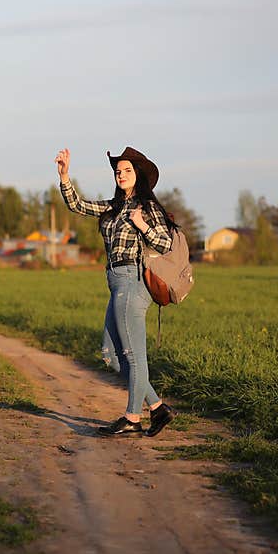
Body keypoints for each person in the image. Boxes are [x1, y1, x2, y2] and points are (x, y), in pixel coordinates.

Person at [53, 146, 176, 437]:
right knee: (111, 354)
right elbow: (78, 206)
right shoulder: (113, 207)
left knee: (133, 355)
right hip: (116, 282)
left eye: (127, 170)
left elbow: (165, 244)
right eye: (118, 171)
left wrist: (143, 225)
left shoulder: (147, 208)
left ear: (139, 175)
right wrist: (65, 176)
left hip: (133, 280)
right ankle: (158, 408)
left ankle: (133, 418)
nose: (121, 174)